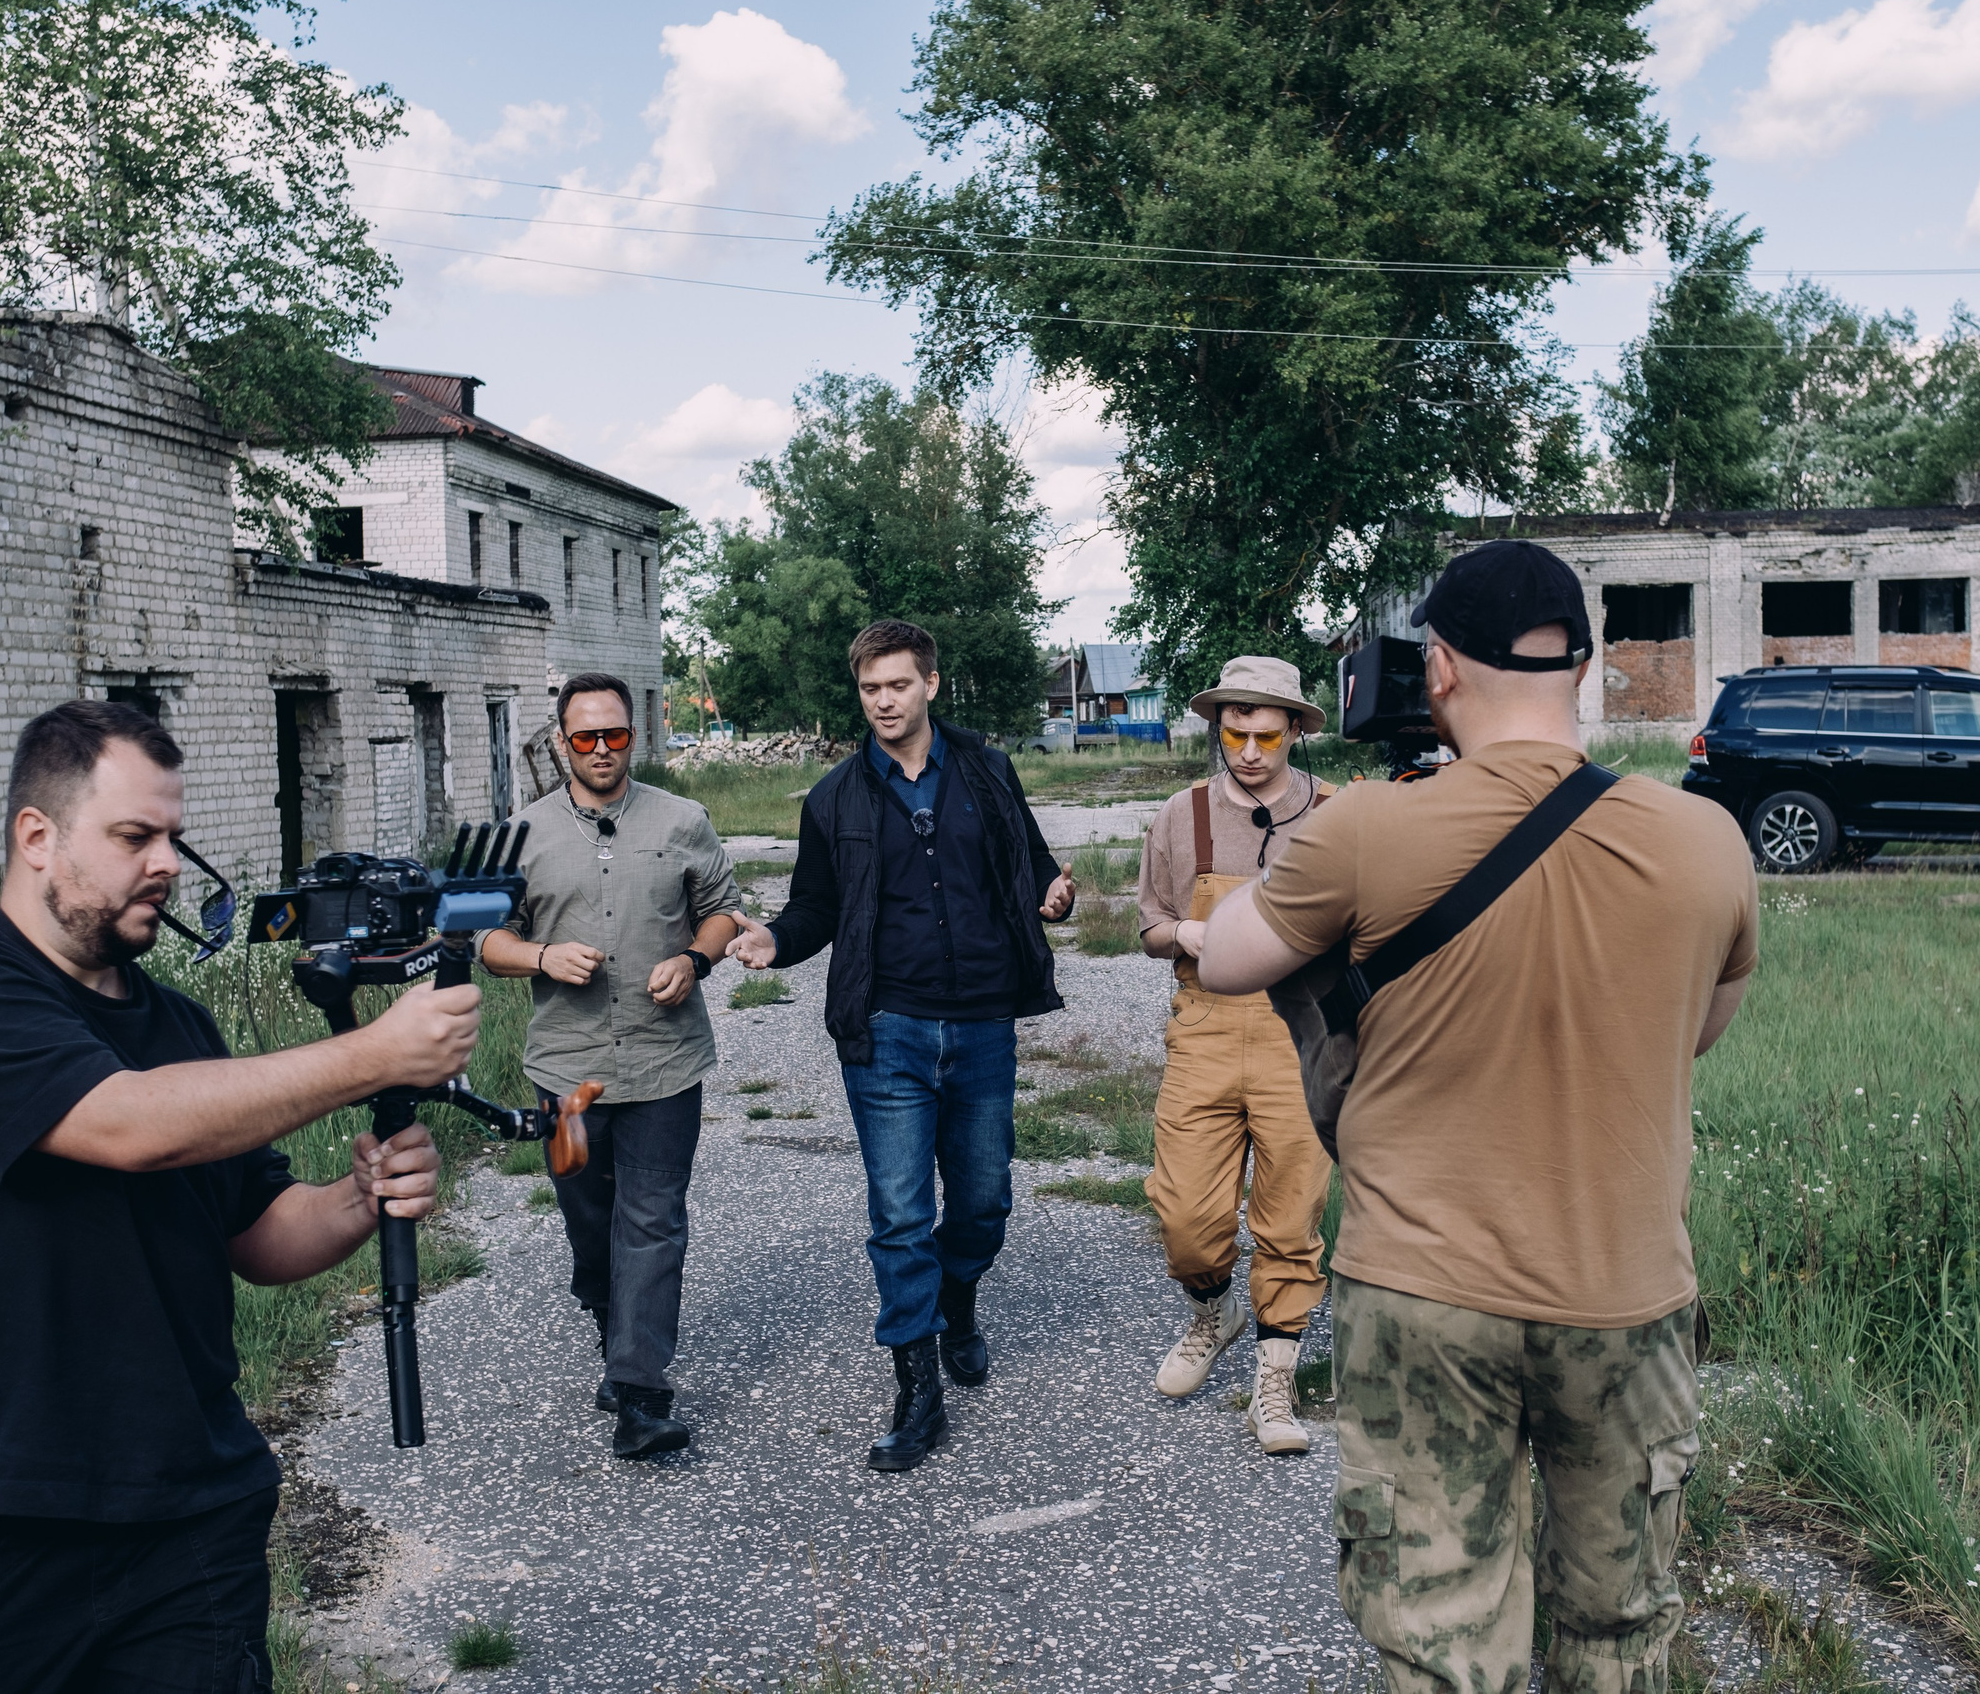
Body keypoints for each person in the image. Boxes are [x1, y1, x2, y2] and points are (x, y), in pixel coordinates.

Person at [1195, 540, 1758, 1694]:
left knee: (1444, 1632)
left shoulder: (1360, 830)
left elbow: (1230, 960)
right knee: (1618, 1629)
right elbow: (1693, 1031)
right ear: (1584, 672)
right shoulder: (1707, 840)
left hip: (1425, 1296)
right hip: (1625, 1296)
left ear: (1437, 670)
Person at [0, 699, 471, 1691]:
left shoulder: (180, 1027)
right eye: (134, 836)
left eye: (173, 838)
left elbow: (260, 1235)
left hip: (189, 1524)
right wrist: (371, 1055)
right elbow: (127, 1127)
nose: (167, 865)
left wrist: (358, 1199)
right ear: (37, 839)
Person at [725, 619, 1076, 1472]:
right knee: (900, 1213)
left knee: (985, 1201)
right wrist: (776, 939)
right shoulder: (834, 799)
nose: (884, 701)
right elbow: (814, 906)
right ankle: (917, 1383)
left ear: (930, 684)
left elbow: (1032, 865)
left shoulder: (988, 770)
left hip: (984, 1020)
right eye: (870, 688)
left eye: (897, 685)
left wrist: (1055, 894)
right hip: (887, 1028)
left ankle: (959, 1301)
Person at [479, 672, 740, 1458]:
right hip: (569, 1076)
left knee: (653, 1220)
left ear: (636, 735)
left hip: (667, 1063)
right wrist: (542, 955)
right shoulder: (518, 834)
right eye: (584, 737)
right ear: (561, 741)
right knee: (589, 1221)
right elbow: (486, 943)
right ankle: (608, 1316)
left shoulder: (683, 819)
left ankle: (640, 1389)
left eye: (615, 735)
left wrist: (695, 959)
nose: (600, 749)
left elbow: (722, 911)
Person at [1135, 654, 1335, 1455]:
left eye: (1266, 733)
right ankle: (1214, 1311)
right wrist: (1185, 932)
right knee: (1187, 1215)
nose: (1250, 750)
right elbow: (1148, 922)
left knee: (1290, 1212)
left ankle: (1275, 1381)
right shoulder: (1180, 816)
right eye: (1235, 732)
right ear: (1218, 728)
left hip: (1303, 1031)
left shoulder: (1336, 813)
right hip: (1208, 1025)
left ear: (1293, 730)